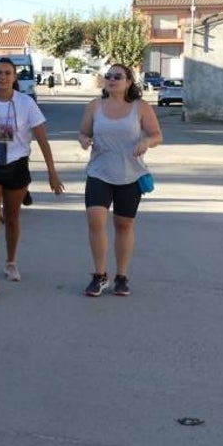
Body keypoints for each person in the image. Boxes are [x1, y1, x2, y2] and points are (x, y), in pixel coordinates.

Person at [0, 57, 65, 294]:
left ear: (14, 77)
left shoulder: (26, 104)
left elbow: (42, 139)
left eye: (7, 73)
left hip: (17, 166)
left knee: (13, 217)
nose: (3, 77)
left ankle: (11, 262)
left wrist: (52, 172)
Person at [77, 63, 163, 297]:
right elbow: (84, 132)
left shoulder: (140, 107)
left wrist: (146, 142)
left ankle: (121, 276)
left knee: (123, 225)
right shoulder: (95, 106)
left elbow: (157, 135)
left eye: (118, 76)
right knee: (95, 220)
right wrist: (84, 140)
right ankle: (99, 275)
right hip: (99, 172)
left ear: (128, 82)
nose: (112, 79)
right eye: (108, 76)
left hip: (130, 174)